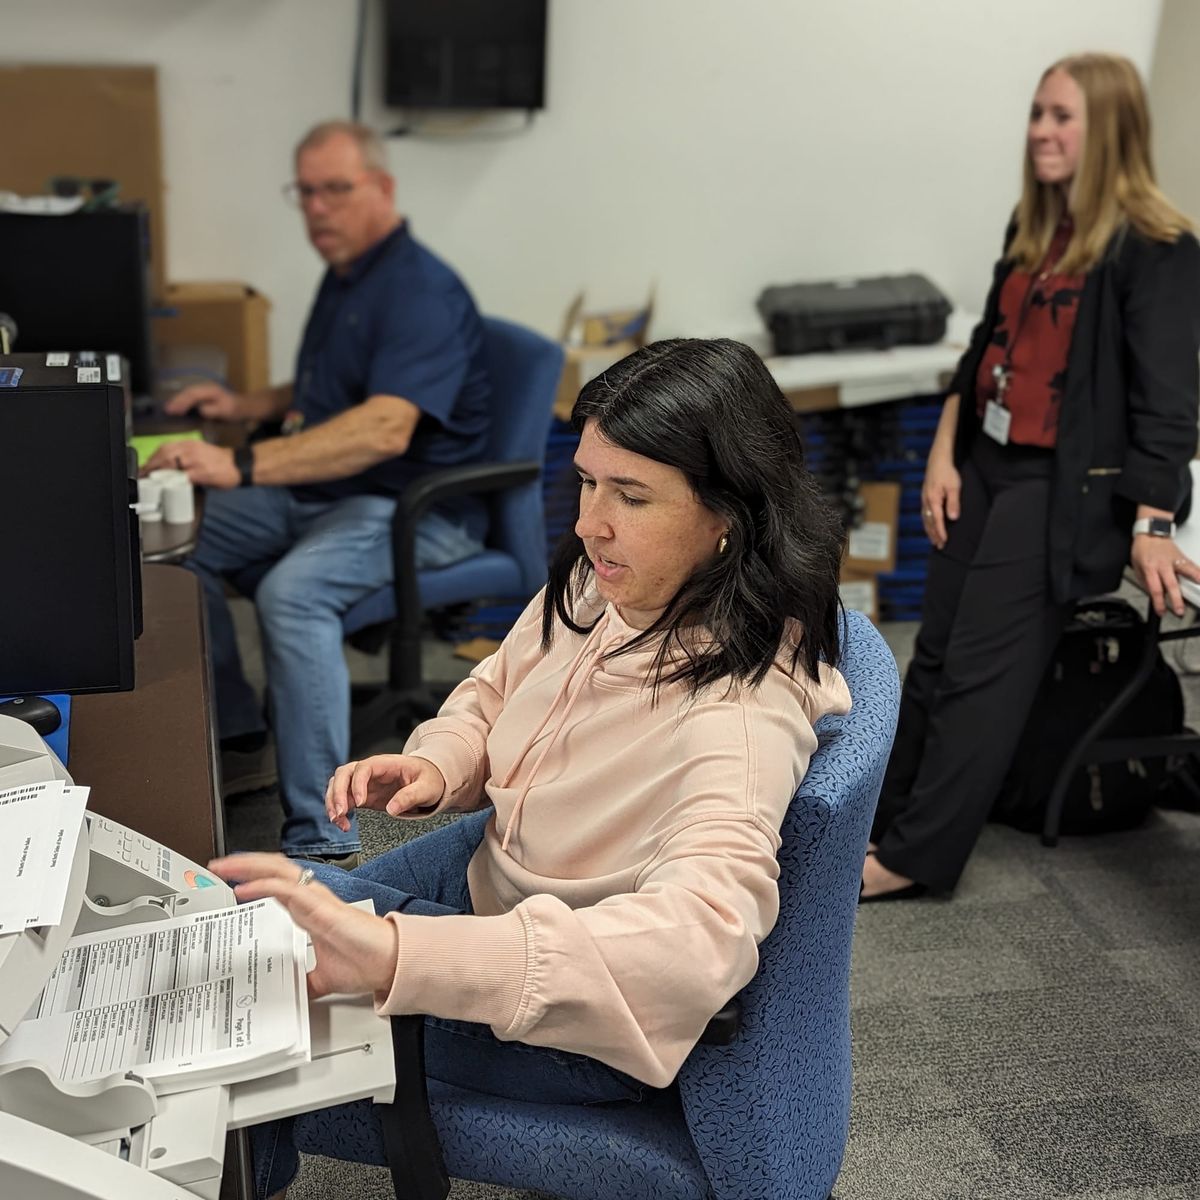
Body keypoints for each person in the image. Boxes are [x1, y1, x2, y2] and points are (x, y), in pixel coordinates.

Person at [206, 337, 850, 1197]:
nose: (589, 523)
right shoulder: (613, 581)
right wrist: (440, 760)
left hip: (572, 1019)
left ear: (727, 516)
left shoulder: (738, 715)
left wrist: (399, 959)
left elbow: (698, 943)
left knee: (247, 983)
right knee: (244, 929)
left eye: (631, 495)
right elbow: (499, 685)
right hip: (504, 882)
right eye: (587, 482)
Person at [864, 53, 1200, 902]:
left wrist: (1152, 523)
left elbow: (1168, 405)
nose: (1040, 131)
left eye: (1061, 117)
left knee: (979, 675)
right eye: (1038, 113)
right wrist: (943, 453)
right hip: (984, 461)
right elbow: (984, 349)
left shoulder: (1156, 248)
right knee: (932, 656)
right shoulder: (1036, 221)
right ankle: (875, 822)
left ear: (1108, 128)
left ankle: (917, 856)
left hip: (1062, 489)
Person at [144, 120, 492, 867]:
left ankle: (321, 842)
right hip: (332, 490)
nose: (317, 208)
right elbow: (328, 395)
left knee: (292, 594)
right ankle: (240, 734)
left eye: (336, 189)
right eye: (305, 192)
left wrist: (241, 462)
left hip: (414, 506)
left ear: (383, 188)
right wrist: (243, 405)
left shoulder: (418, 291)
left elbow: (384, 427)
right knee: (173, 541)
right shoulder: (348, 275)